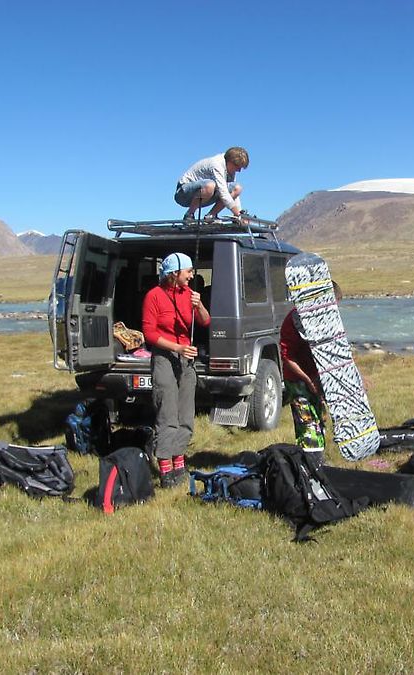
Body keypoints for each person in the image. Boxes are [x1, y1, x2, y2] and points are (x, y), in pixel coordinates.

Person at [142, 252, 211, 488]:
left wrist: (199, 304)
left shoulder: (189, 295)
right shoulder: (154, 296)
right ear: (174, 274)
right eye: (188, 271)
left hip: (185, 359)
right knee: (167, 413)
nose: (192, 275)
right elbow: (150, 334)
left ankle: (179, 462)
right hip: (165, 357)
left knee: (185, 414)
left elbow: (205, 321)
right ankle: (165, 468)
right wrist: (177, 348)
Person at [279, 281, 342, 466]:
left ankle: (318, 461)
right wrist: (307, 380)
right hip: (297, 379)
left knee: (320, 420)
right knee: (307, 424)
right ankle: (310, 465)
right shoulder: (294, 320)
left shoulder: (324, 318)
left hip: (316, 375)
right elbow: (288, 358)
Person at [174, 147, 249, 222]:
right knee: (210, 186)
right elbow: (224, 193)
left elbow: (233, 194)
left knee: (237, 188)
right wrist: (238, 215)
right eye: (238, 167)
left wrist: (239, 213)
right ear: (230, 162)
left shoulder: (229, 168)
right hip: (183, 193)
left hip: (204, 196)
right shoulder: (217, 164)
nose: (239, 170)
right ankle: (189, 214)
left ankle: (210, 216)